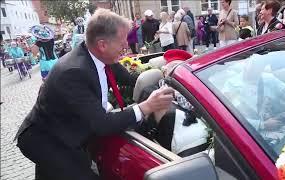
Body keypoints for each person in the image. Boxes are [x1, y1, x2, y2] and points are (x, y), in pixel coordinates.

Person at [15, 8, 174, 180]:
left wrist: (167, 75)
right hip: (46, 140)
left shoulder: (101, 56)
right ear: (102, 44)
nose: (126, 46)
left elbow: (130, 79)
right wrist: (146, 107)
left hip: (69, 131)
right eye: (122, 42)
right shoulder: (74, 72)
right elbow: (102, 124)